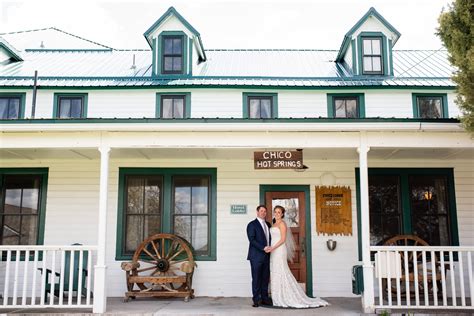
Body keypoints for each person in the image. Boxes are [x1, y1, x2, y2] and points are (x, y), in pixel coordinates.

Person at [267, 205, 329, 308]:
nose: (277, 214)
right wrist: (270, 248)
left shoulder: (282, 224)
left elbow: (282, 240)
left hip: (279, 250)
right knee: (275, 271)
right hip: (273, 250)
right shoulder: (274, 224)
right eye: (275, 212)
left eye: (279, 212)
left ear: (282, 214)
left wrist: (272, 248)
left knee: (281, 271)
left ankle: (287, 296)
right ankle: (277, 296)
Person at [246, 205, 272, 307]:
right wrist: (263, 248)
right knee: (256, 278)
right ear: (257, 212)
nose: (263, 213)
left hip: (267, 256)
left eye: (265, 211)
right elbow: (252, 240)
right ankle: (256, 300)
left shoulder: (268, 225)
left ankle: (265, 298)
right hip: (256, 256)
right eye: (261, 211)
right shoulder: (251, 225)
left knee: (265, 278)